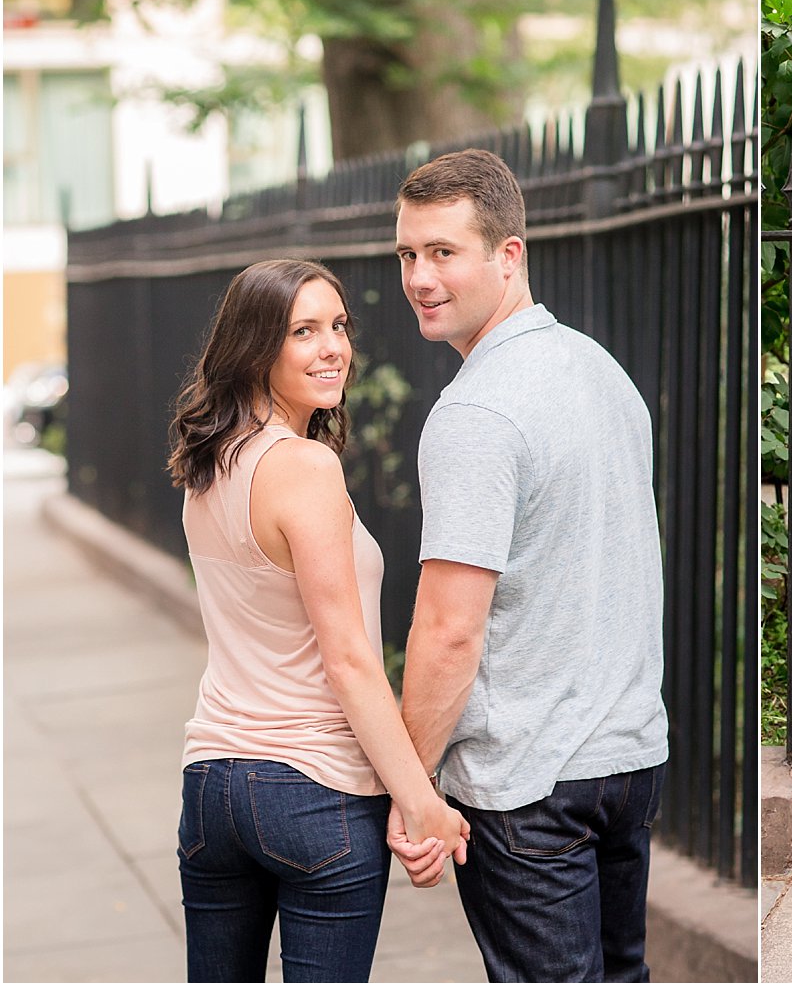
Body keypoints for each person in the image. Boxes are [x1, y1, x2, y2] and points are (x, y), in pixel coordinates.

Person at [385, 148, 669, 982]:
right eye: (407, 253)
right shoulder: (601, 370)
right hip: (627, 761)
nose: (419, 277)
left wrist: (411, 786)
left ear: (509, 254)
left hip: (528, 786)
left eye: (443, 251)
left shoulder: (475, 409)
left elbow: (447, 630)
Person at [168, 259, 468, 983]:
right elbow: (350, 661)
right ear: (255, 347)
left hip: (211, 787)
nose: (333, 346)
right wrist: (419, 799)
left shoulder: (208, 464)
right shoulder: (303, 468)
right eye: (303, 331)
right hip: (314, 792)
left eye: (338, 326)